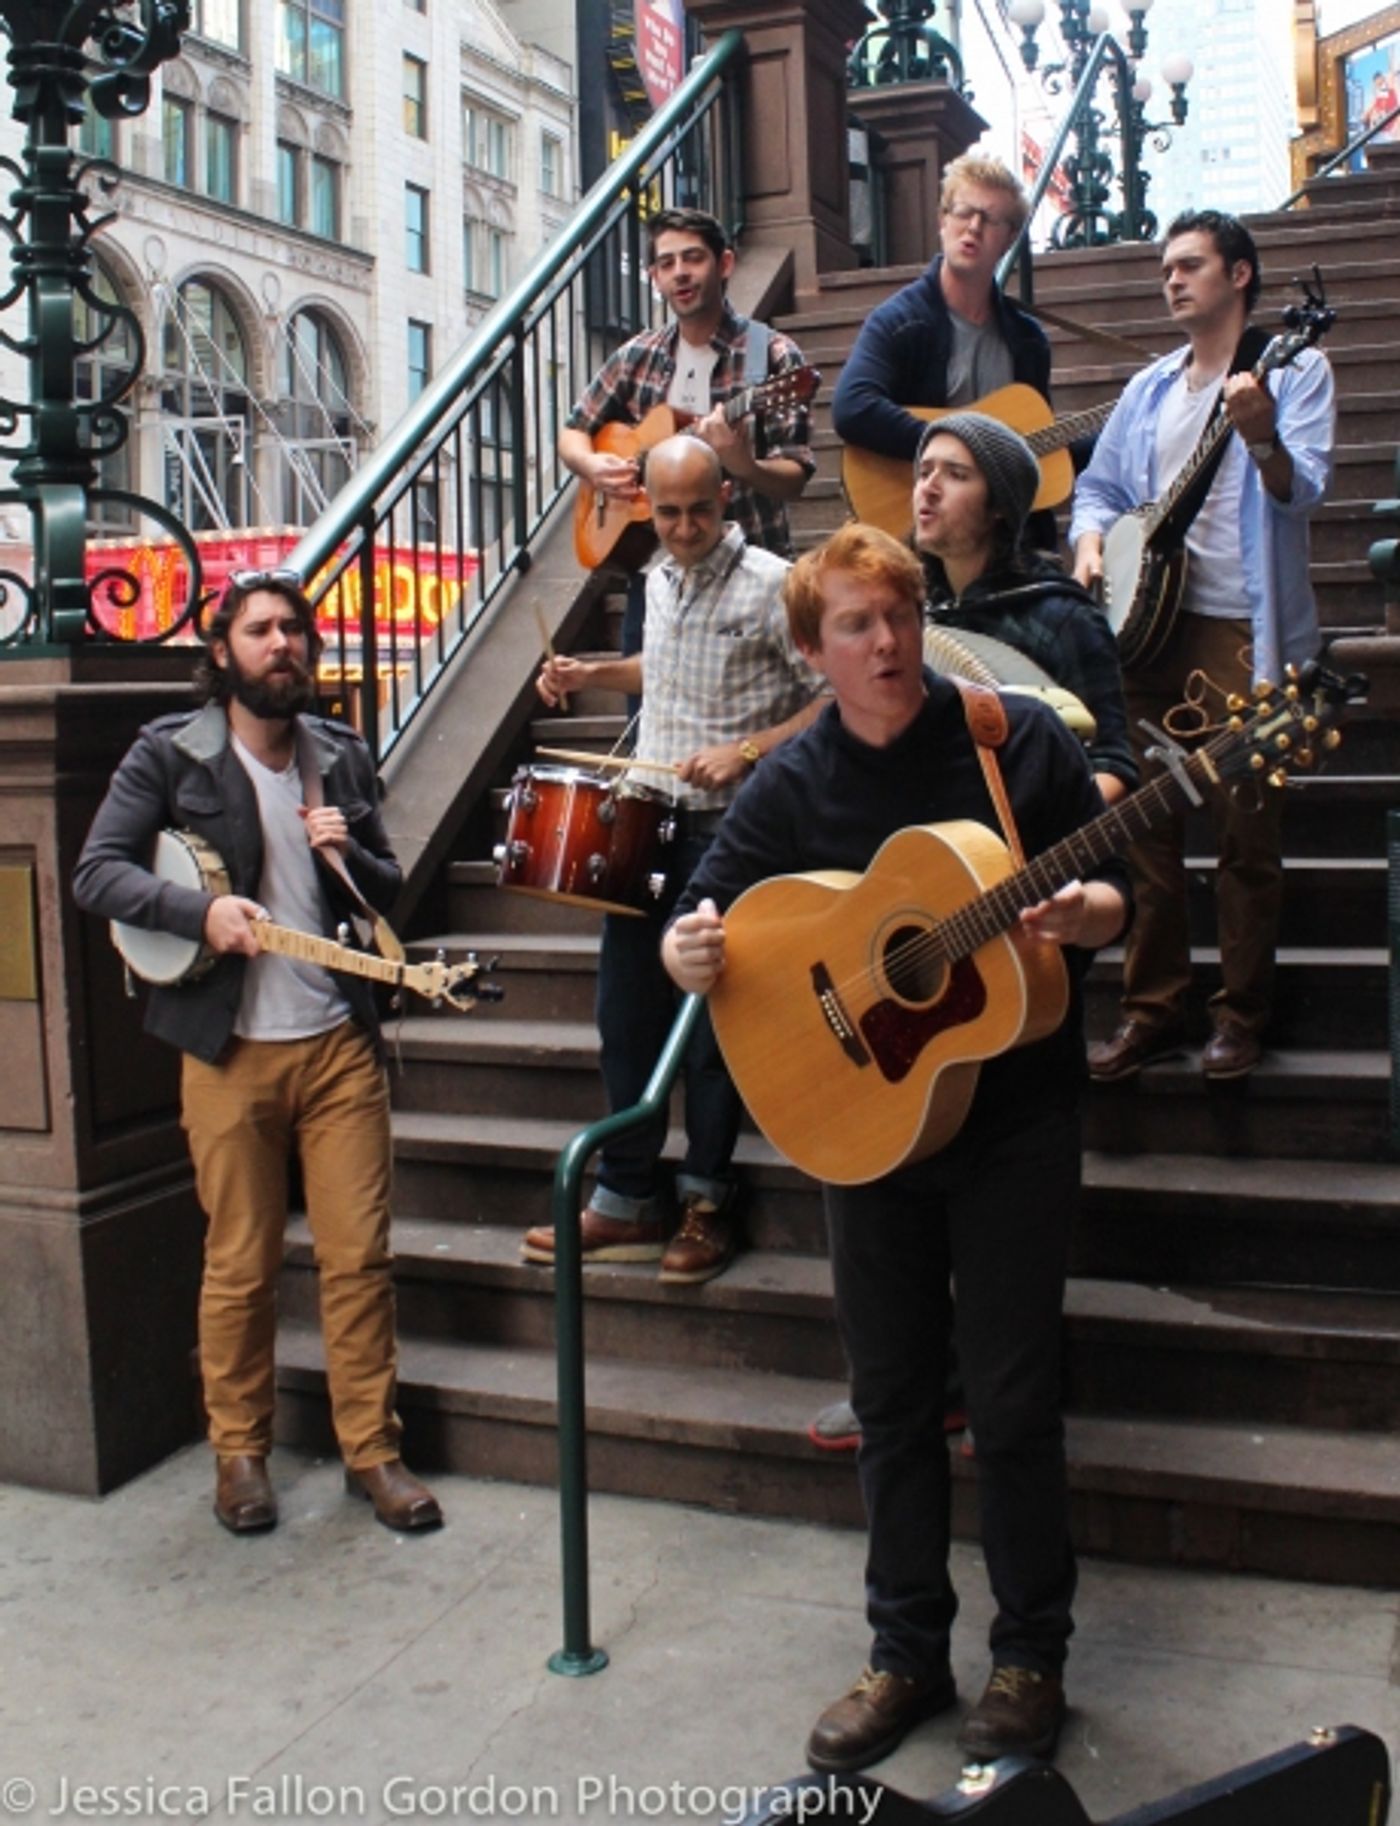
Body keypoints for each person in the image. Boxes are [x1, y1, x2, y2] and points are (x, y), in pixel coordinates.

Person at [663, 524, 1131, 1770]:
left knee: (1016, 1396)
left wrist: (1089, 910)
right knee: (888, 1399)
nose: (888, 643)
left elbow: (1114, 884)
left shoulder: (1006, 736)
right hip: (865, 1121)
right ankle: (904, 1652)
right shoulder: (793, 778)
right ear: (812, 651)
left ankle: (1029, 1655)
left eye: (902, 615)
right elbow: (702, 905)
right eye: (858, 626)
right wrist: (687, 949)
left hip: (1016, 1117)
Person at [73, 571, 442, 1537]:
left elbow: (388, 888)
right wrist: (201, 911)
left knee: (359, 1259)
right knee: (240, 1261)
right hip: (227, 1048)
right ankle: (240, 1454)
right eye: (262, 630)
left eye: (296, 630)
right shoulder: (173, 753)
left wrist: (347, 856)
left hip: (336, 1046)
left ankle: (375, 1451)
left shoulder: (341, 757)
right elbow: (96, 872)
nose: (283, 644)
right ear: (223, 651)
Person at [807, 411, 1136, 1457]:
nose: (923, 489)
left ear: (997, 498)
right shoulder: (901, 612)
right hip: (910, 934)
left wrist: (1048, 825)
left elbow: (1117, 754)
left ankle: (999, 1383)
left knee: (1002, 1185)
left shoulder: (1058, 615)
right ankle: (912, 1379)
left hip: (1018, 924)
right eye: (919, 472)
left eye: (949, 473)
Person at [520, 437, 824, 1284]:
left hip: (733, 830)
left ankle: (706, 1200)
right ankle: (626, 1197)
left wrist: (750, 750)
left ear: (727, 495)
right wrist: (593, 670)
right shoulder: (654, 576)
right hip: (646, 823)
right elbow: (669, 670)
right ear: (647, 504)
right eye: (670, 510)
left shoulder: (774, 582)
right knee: (626, 1015)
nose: (686, 527)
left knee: (710, 1033)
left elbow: (834, 695)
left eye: (701, 508)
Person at [1070, 209, 1335, 1082]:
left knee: (1243, 830)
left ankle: (1241, 1013)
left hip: (1240, 631)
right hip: (1147, 628)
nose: (1173, 280)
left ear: (1240, 275)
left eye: (1190, 265)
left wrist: (1259, 433)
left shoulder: (1295, 370)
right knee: (1143, 832)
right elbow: (1100, 488)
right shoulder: (1150, 389)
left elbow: (1302, 495)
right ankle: (1154, 1009)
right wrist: (1089, 543)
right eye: (1166, 269)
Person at [560, 204, 814, 667]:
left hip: (749, 577)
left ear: (725, 264)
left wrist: (744, 464)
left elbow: (795, 475)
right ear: (654, 276)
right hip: (655, 579)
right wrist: (594, 465)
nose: (680, 273)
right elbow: (574, 430)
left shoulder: (772, 356)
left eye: (693, 258)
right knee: (650, 728)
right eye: (666, 263)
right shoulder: (636, 355)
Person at [831, 153, 1059, 552]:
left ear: (1009, 239)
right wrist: (959, 449)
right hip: (919, 538)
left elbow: (1036, 440)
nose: (973, 227)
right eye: (963, 212)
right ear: (942, 221)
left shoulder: (1028, 341)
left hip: (1002, 542)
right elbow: (852, 407)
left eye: (991, 220)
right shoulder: (900, 321)